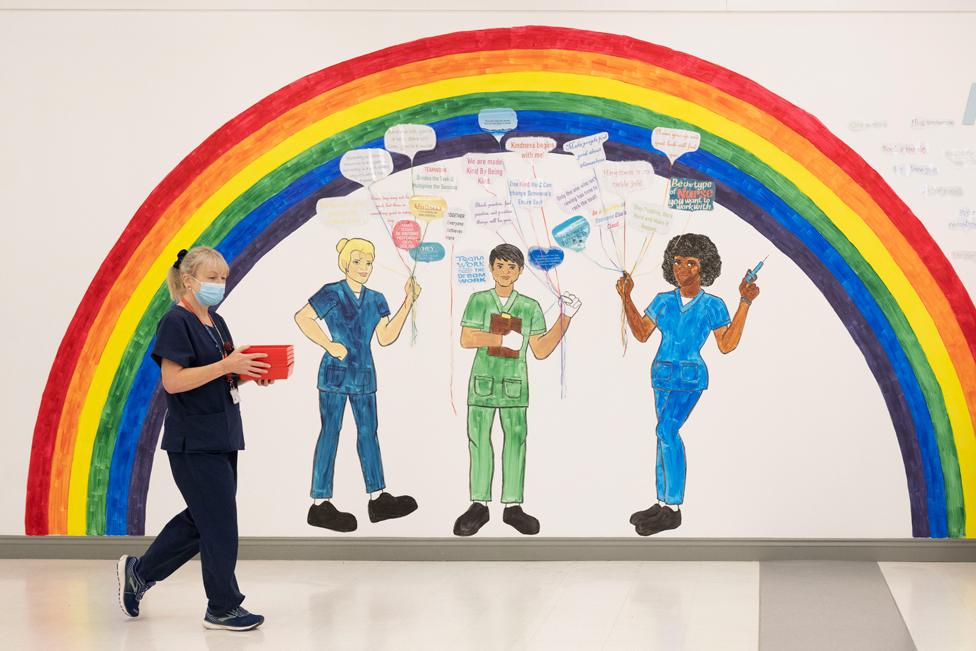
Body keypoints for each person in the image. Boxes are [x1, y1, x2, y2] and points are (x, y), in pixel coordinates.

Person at [116, 246, 274, 631]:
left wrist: (249, 372)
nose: (219, 285)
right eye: (211, 278)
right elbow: (173, 381)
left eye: (223, 278)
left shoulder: (215, 321)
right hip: (193, 440)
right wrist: (227, 365)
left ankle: (139, 572)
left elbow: (221, 376)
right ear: (188, 280)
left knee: (202, 519)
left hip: (223, 434)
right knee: (219, 522)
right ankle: (222, 606)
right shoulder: (176, 322)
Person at [616, 233, 760, 536]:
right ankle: (662, 502)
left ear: (703, 268)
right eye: (678, 261)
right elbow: (642, 333)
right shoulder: (662, 301)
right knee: (662, 436)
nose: (682, 268)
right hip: (662, 375)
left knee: (666, 430)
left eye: (691, 263)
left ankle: (674, 509)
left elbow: (727, 344)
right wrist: (626, 297)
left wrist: (745, 301)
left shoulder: (713, 305)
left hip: (690, 378)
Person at [453, 244, 582, 536]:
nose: (505, 272)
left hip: (514, 386)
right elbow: (466, 338)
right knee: (478, 441)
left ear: (520, 271)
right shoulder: (479, 300)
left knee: (515, 441)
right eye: (500, 266)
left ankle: (512, 506)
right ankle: (479, 504)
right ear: (491, 267)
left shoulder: (530, 306)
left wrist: (566, 317)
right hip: (482, 384)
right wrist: (498, 339)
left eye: (512, 267)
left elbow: (540, 349)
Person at [295, 238, 421, 532]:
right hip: (335, 374)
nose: (364, 268)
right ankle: (320, 503)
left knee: (369, 433)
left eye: (368, 262)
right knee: (330, 431)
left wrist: (408, 302)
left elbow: (386, 336)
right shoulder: (331, 293)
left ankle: (378, 498)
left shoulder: (376, 298)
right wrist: (328, 344)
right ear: (345, 263)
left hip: (364, 374)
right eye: (357, 262)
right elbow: (303, 317)